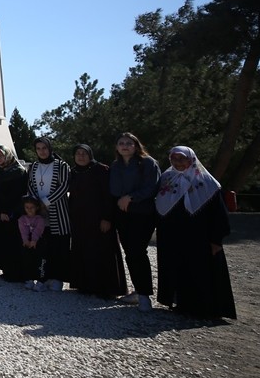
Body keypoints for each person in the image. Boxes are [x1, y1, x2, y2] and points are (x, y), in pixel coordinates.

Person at [154, 147, 236, 320]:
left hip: (200, 237)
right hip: (172, 237)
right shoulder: (167, 178)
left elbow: (219, 214)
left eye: (182, 159)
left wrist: (216, 240)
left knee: (201, 271)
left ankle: (205, 308)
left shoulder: (206, 181)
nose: (178, 162)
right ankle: (182, 304)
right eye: (174, 159)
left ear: (191, 160)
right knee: (178, 269)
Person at [108, 132, 161, 311]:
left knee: (138, 251)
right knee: (130, 252)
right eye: (121, 143)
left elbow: (152, 187)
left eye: (128, 143)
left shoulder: (147, 163)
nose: (124, 146)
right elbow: (113, 189)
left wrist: (130, 197)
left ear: (136, 145)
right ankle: (138, 291)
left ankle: (145, 294)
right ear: (116, 147)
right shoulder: (115, 166)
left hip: (142, 213)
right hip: (123, 214)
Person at [67, 144, 127, 300]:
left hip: (99, 219)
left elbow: (108, 196)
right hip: (80, 220)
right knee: (83, 252)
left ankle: (106, 288)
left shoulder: (100, 170)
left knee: (102, 252)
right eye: (78, 153)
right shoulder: (73, 172)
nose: (81, 156)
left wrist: (107, 218)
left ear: (90, 154)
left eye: (84, 153)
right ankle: (85, 284)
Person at [27, 137, 71, 292]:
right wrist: (36, 203)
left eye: (44, 148)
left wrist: (45, 201)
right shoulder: (34, 166)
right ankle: (43, 276)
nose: (42, 151)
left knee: (59, 246)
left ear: (50, 148)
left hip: (58, 211)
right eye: (38, 148)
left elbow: (64, 185)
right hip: (39, 212)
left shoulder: (62, 165)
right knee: (42, 246)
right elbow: (31, 185)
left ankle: (58, 278)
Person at [0, 146, 29, 282]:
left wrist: (7, 211)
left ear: (8, 155)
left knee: (13, 240)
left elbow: (17, 194)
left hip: (11, 212)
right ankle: (7, 269)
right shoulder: (0, 171)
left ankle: (17, 273)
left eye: (1, 156)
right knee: (3, 240)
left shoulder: (18, 172)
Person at [19, 196, 48, 291]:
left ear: (37, 208)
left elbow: (38, 230)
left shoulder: (40, 219)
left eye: (32, 207)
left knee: (41, 262)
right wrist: (25, 240)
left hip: (39, 243)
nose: (29, 210)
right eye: (27, 207)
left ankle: (41, 281)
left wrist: (34, 240)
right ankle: (29, 279)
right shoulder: (22, 219)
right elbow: (23, 231)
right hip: (27, 243)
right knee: (27, 260)